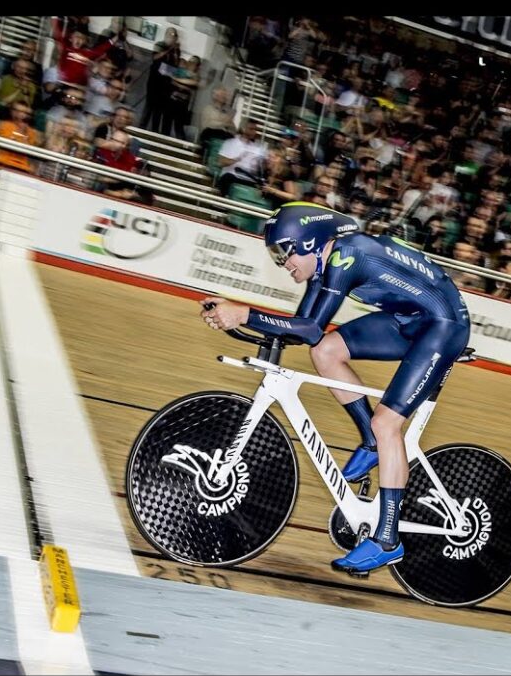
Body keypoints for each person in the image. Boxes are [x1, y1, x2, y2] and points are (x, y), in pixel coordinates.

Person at [199, 202, 471, 574]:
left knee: (387, 423)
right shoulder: (328, 263)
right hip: (409, 320)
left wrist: (244, 313)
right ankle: (371, 442)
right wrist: (243, 319)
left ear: (309, 242)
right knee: (327, 350)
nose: (283, 263)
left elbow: (307, 326)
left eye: (284, 252)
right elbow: (305, 331)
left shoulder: (348, 255)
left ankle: (387, 540)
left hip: (443, 326)